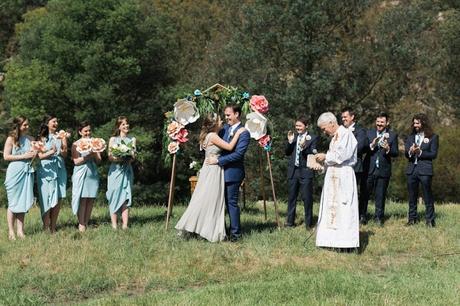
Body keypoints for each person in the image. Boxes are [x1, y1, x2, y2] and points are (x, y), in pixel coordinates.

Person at [175, 113, 246, 242]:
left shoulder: (209, 135)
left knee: (207, 199)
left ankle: (206, 228)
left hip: (211, 168)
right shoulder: (213, 136)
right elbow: (230, 147)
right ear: (214, 124)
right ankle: (207, 230)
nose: (222, 121)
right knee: (212, 200)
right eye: (219, 120)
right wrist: (238, 133)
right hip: (213, 170)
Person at [314, 112, 359, 249]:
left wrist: (325, 156)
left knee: (343, 207)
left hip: (343, 174)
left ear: (332, 123)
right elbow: (332, 158)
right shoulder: (335, 137)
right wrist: (321, 166)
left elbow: (341, 155)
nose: (324, 132)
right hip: (333, 174)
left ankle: (346, 243)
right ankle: (330, 241)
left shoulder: (346, 134)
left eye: (324, 128)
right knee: (331, 207)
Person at [208, 104, 251, 242]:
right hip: (217, 173)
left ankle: (235, 234)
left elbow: (238, 154)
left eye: (228, 115)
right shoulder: (224, 128)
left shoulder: (244, 132)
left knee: (231, 203)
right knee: (219, 203)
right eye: (225, 115)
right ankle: (219, 231)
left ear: (237, 114)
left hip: (232, 173)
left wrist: (218, 160)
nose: (226, 118)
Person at [3, 116, 37, 240]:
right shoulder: (11, 139)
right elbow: (6, 157)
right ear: (18, 126)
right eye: (25, 125)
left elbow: (34, 155)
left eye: (28, 125)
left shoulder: (31, 139)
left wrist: (35, 154)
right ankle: (11, 232)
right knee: (13, 202)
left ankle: (20, 231)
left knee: (22, 202)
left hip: (27, 172)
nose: (27, 127)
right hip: (14, 173)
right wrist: (24, 155)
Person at [362, 112, 398, 227]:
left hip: (383, 170)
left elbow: (395, 153)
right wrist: (372, 145)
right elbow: (362, 149)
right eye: (377, 122)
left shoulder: (392, 135)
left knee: (380, 195)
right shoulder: (369, 133)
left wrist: (388, 149)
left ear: (387, 123)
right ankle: (362, 216)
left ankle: (378, 218)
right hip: (368, 169)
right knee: (364, 194)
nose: (379, 124)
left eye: (382, 122)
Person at [404, 113, 438, 227]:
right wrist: (410, 151)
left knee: (428, 195)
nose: (415, 125)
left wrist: (420, 152)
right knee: (412, 196)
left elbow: (433, 154)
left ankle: (430, 220)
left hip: (425, 170)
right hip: (411, 170)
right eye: (414, 123)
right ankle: (412, 219)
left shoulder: (433, 137)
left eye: (417, 123)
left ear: (423, 123)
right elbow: (406, 154)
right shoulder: (410, 137)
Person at [36, 115, 69, 233]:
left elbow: (65, 155)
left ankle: (53, 227)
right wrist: (52, 152)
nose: (56, 123)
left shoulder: (61, 136)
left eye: (57, 121)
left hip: (60, 168)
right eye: (53, 121)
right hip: (46, 169)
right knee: (46, 197)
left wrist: (64, 150)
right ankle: (45, 226)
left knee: (58, 197)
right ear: (47, 123)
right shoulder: (42, 137)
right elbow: (39, 156)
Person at [285, 116, 318, 228]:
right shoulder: (293, 137)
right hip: (293, 171)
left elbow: (313, 153)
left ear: (306, 126)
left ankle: (308, 223)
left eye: (300, 125)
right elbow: (287, 153)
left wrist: (305, 147)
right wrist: (290, 142)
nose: (297, 128)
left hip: (306, 171)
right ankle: (290, 222)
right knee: (291, 197)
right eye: (296, 126)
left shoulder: (312, 138)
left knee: (307, 198)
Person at [71, 121, 101, 232]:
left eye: (89, 130)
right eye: (85, 131)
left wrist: (95, 153)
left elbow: (99, 160)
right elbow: (76, 161)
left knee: (90, 199)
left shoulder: (95, 142)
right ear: (80, 132)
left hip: (92, 173)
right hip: (81, 173)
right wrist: (88, 156)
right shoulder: (76, 144)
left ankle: (87, 222)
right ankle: (81, 224)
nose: (88, 132)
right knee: (83, 199)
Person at [341, 107, 369, 224]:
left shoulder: (360, 131)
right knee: (344, 192)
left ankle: (360, 215)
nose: (343, 119)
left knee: (355, 192)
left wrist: (344, 152)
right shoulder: (341, 130)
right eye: (342, 117)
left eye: (345, 117)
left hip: (355, 166)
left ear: (352, 117)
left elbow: (360, 147)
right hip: (342, 166)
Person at [106, 116, 136, 230]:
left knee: (125, 196)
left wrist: (129, 157)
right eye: (123, 124)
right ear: (119, 127)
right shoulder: (113, 139)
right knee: (114, 195)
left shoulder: (132, 139)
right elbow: (110, 156)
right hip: (115, 171)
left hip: (127, 170)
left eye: (127, 124)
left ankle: (125, 225)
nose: (126, 126)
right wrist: (119, 158)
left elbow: (133, 156)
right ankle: (114, 225)